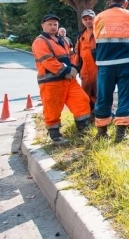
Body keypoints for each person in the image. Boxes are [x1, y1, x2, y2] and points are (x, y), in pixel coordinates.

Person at [31, 14, 91, 145]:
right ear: (43, 26)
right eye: (50, 24)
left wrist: (74, 67)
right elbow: (48, 61)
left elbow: (71, 56)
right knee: (53, 108)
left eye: (55, 24)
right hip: (51, 82)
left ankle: (83, 129)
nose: (53, 27)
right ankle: (55, 135)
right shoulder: (40, 42)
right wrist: (67, 71)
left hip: (69, 80)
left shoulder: (62, 40)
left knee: (81, 100)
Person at [93, 0, 129, 141]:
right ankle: (120, 134)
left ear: (109, 2)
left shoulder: (99, 17)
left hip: (105, 65)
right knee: (125, 97)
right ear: (125, 3)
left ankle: (101, 133)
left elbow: (97, 37)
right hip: (126, 63)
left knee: (103, 97)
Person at [75, 9, 98, 107]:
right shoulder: (81, 36)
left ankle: (103, 116)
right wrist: (75, 68)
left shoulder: (100, 33)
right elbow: (77, 54)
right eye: (85, 19)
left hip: (98, 70)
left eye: (90, 18)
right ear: (82, 21)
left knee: (101, 94)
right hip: (85, 71)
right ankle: (89, 115)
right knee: (85, 95)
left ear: (95, 19)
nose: (88, 21)